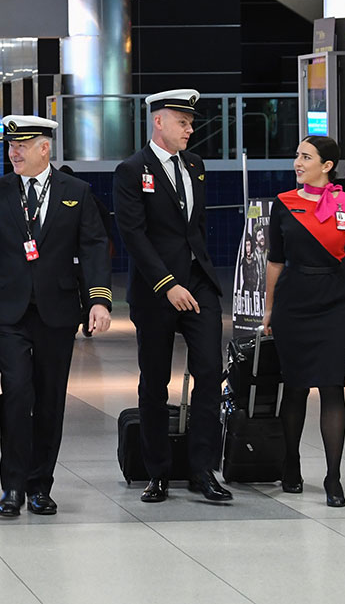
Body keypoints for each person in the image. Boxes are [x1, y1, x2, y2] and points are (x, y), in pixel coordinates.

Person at [0, 115, 112, 517]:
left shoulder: (75, 192)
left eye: (22, 145)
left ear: (45, 148)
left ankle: (40, 485)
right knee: (16, 393)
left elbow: (95, 247)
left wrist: (98, 300)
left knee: (49, 400)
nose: (14, 152)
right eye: (11, 145)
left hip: (57, 311)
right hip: (9, 312)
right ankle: (12, 486)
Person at [114, 89, 232, 504]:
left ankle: (203, 469)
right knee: (155, 381)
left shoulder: (195, 165)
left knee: (210, 371)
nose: (190, 128)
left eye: (192, 121)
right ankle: (157, 472)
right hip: (156, 290)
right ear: (158, 122)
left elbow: (193, 228)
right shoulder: (131, 170)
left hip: (198, 283)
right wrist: (167, 284)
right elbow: (134, 234)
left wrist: (196, 276)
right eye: (182, 121)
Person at [262, 136, 345, 507]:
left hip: (335, 302)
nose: (297, 161)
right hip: (293, 303)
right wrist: (268, 308)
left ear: (327, 165)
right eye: (296, 155)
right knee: (293, 388)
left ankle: (333, 477)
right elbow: (275, 261)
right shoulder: (283, 203)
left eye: (305, 156)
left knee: (332, 387)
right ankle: (290, 463)